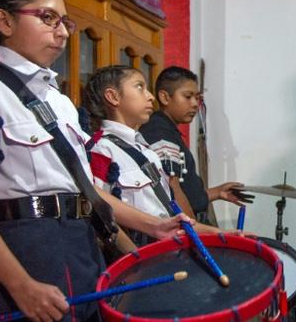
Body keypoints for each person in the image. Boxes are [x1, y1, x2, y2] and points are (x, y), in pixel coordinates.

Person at [0, 0, 189, 321]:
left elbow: (85, 189)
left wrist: (153, 226)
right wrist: (20, 284)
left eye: (65, 21)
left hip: (80, 247)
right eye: (48, 18)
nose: (62, 32)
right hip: (23, 251)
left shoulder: (59, 101)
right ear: (4, 21)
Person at [83, 65, 223, 246]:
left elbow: (169, 215)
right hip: (138, 256)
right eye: (139, 87)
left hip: (165, 249)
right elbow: (101, 217)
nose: (150, 96)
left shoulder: (147, 151)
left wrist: (221, 233)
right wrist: (135, 257)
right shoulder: (101, 149)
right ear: (113, 97)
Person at [140, 66, 251, 223]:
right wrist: (195, 233)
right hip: (185, 229)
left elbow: (188, 194)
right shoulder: (159, 132)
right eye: (187, 96)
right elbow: (173, 189)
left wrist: (218, 192)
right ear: (165, 97)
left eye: (197, 98)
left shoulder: (168, 130)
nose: (194, 104)